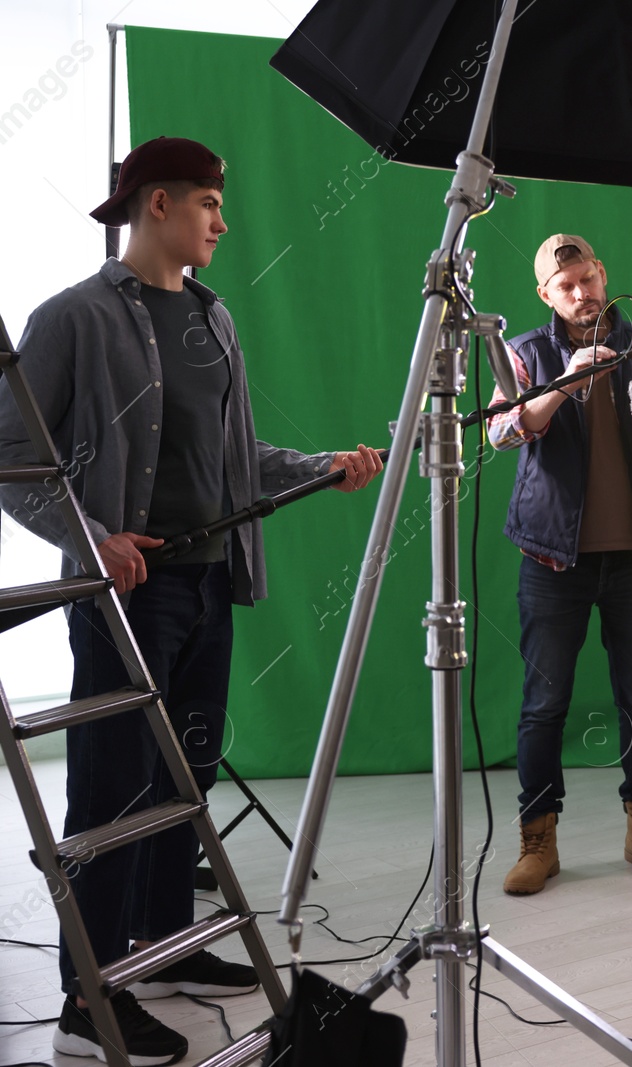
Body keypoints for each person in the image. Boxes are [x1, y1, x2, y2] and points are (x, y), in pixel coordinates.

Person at [0, 136, 383, 1065]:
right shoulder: (71, 319)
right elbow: (11, 458)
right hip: (126, 595)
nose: (222, 221)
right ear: (158, 204)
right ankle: (86, 1006)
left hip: (209, 580)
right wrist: (89, 535)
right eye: (209, 202)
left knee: (186, 780)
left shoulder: (214, 320)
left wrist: (319, 464)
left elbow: (232, 460)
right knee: (111, 793)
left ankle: (160, 950)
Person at [487, 234, 632, 895]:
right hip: (551, 559)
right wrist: (565, 384)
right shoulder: (526, 351)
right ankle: (539, 840)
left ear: (602, 274)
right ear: (545, 296)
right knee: (543, 704)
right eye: (566, 286)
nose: (582, 293)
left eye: (587, 278)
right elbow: (502, 431)